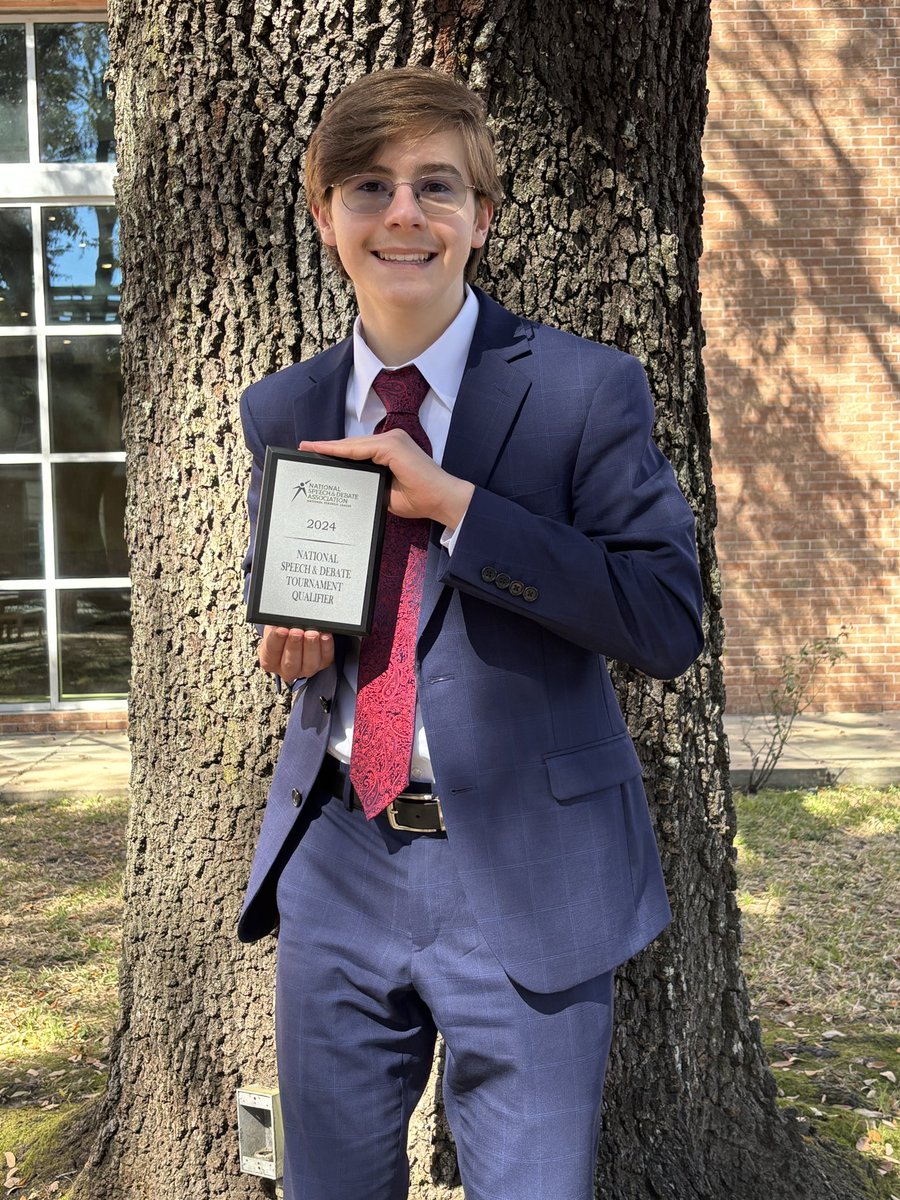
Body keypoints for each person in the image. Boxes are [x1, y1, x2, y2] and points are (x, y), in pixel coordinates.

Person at [237, 65, 704, 1200]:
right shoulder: (285, 408)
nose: (403, 212)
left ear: (482, 218)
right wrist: (295, 640)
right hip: (338, 856)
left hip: (529, 873)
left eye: (436, 186)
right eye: (369, 186)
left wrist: (457, 509)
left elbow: (665, 616)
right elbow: (312, 592)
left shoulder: (586, 391)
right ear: (325, 216)